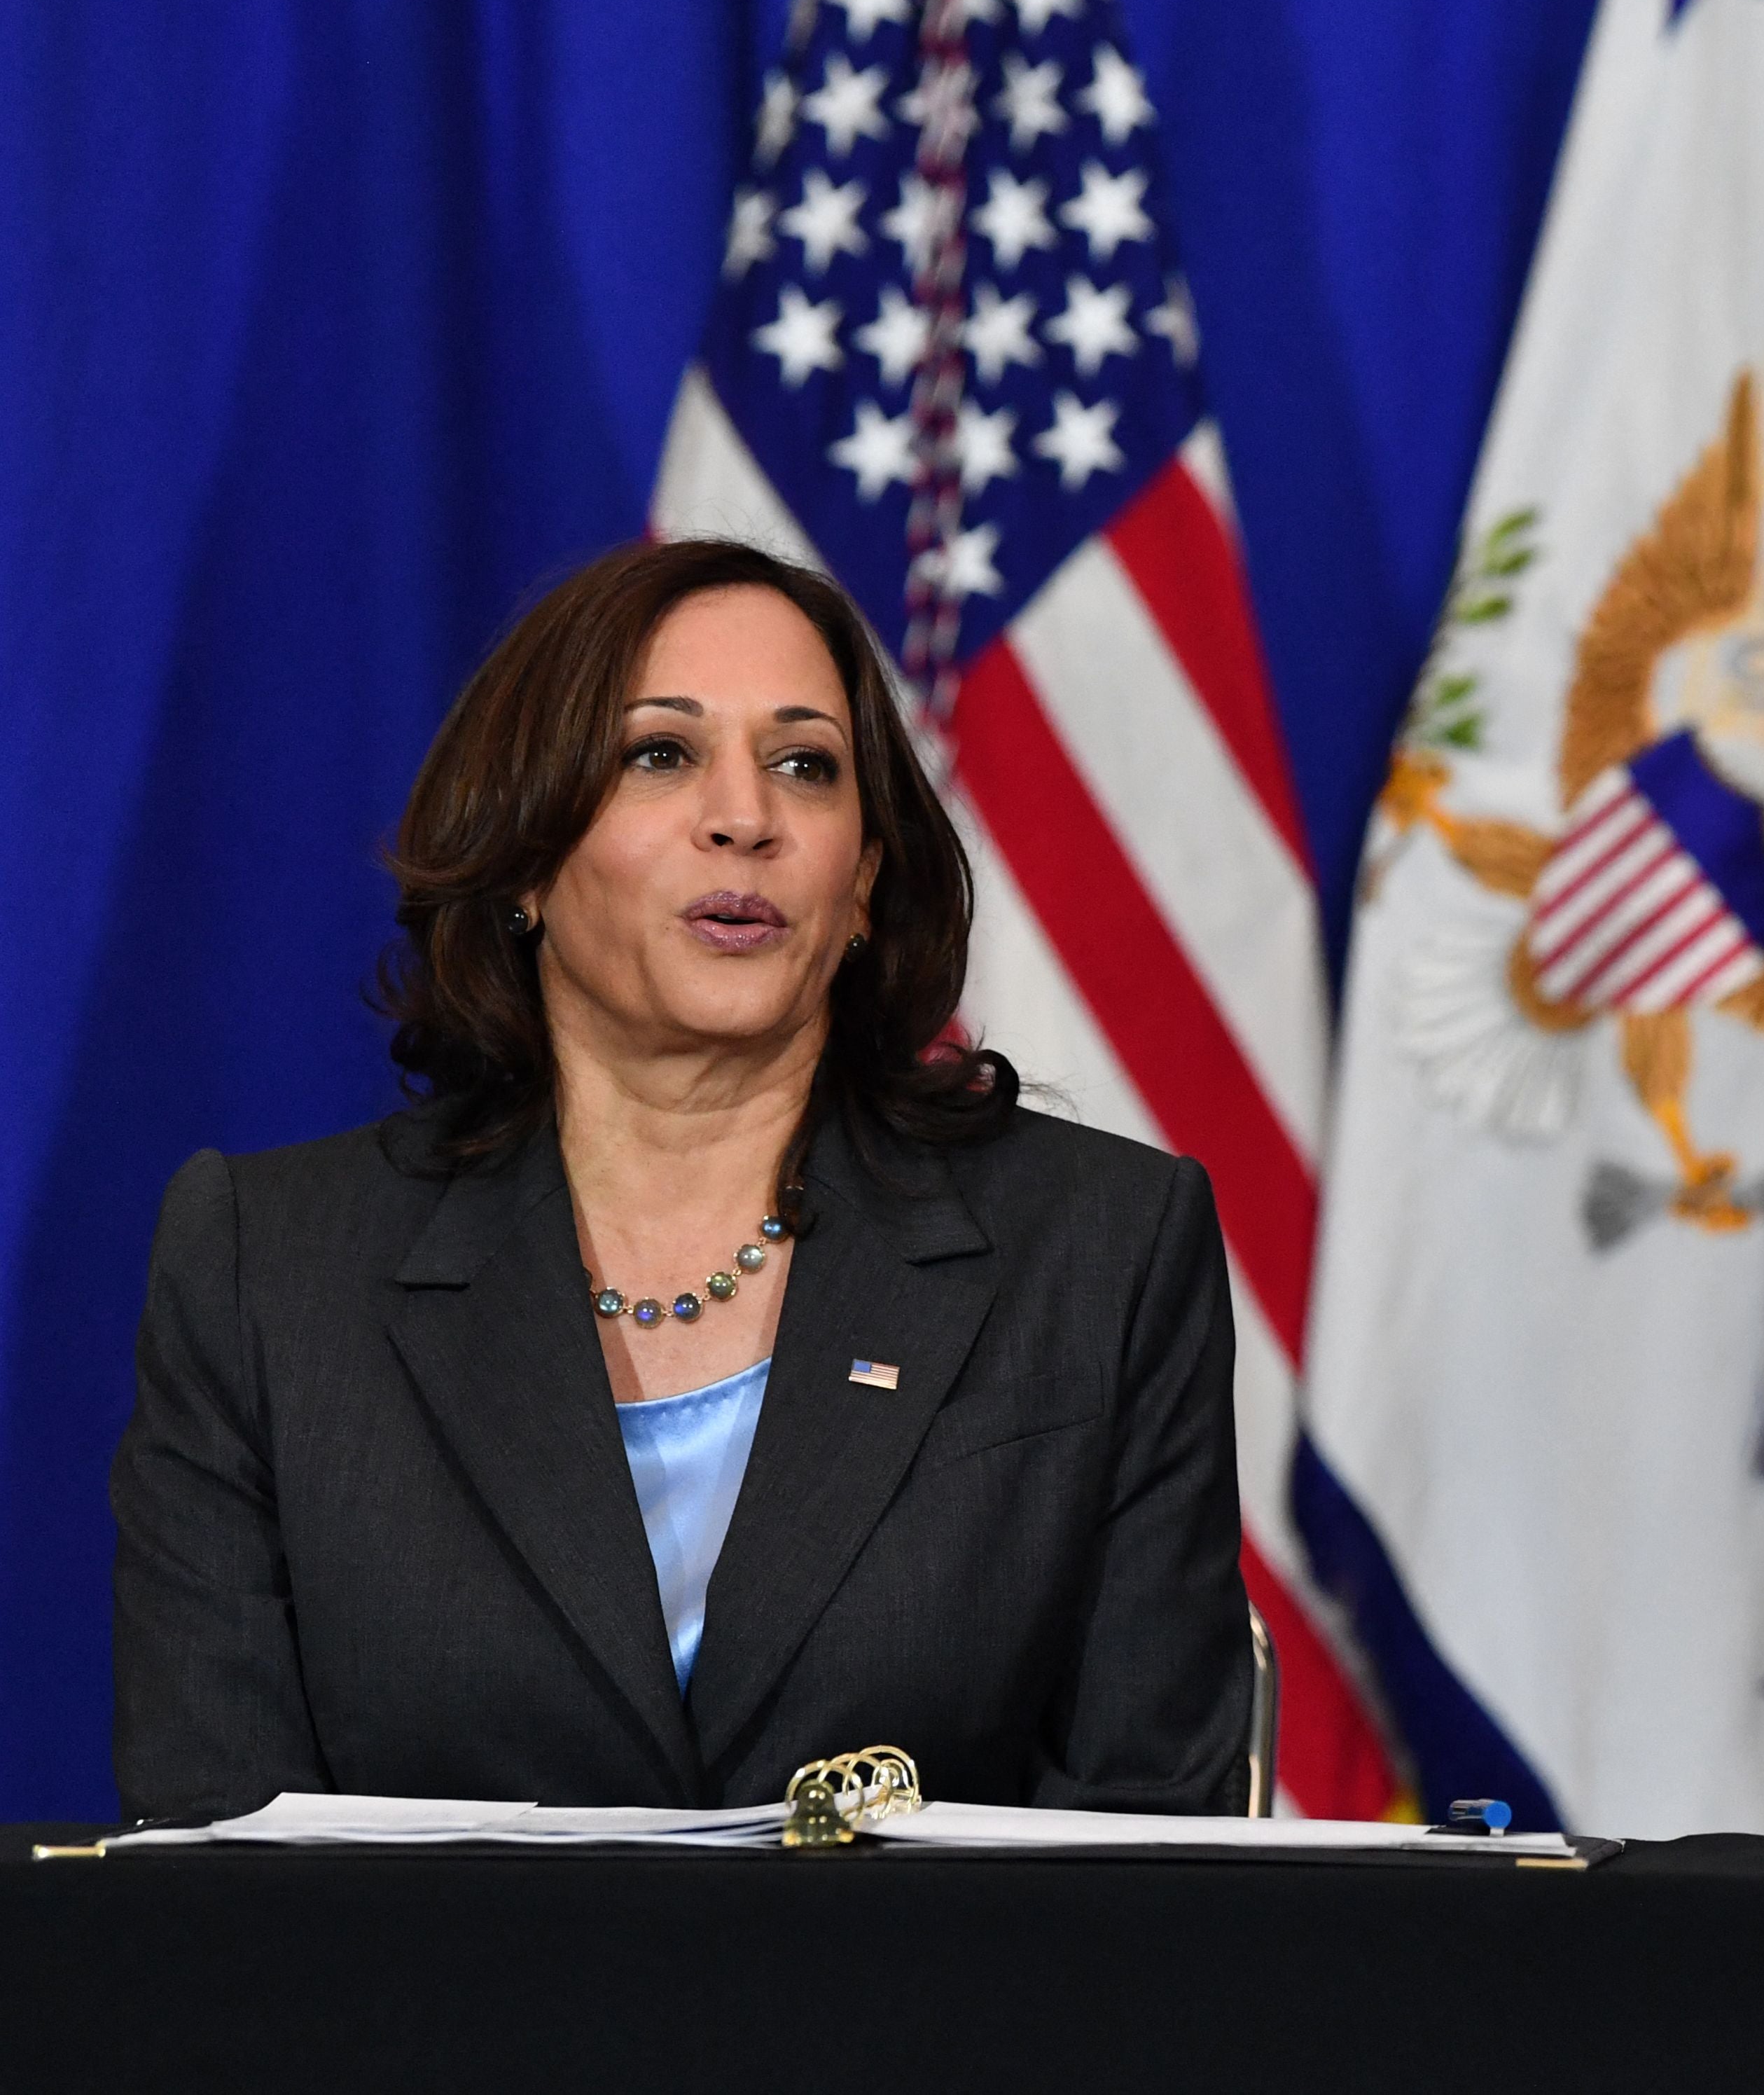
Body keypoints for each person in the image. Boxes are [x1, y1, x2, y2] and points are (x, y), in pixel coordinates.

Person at [112, 539, 1255, 1819]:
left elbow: (1152, 1853)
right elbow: (215, 1860)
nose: (746, 818)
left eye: (805, 766)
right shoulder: (267, 1273)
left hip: (940, 2021)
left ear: (865, 878)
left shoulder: (1101, 1249)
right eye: (661, 754)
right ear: (528, 855)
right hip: (419, 2022)